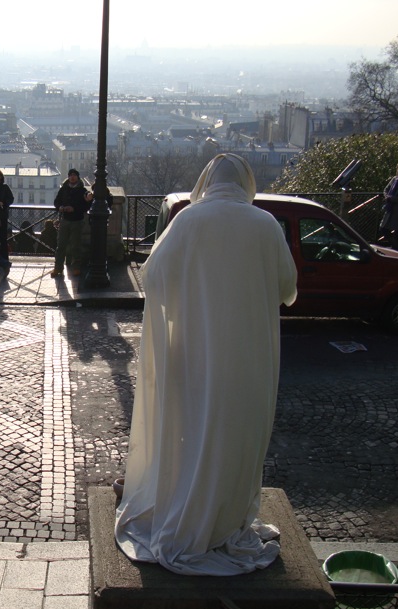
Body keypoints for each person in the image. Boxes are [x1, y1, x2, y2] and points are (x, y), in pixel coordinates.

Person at [114, 154, 297, 576]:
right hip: (249, 359)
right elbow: (288, 290)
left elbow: (154, 276)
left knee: (192, 433)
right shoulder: (265, 226)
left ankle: (187, 505)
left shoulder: (190, 221)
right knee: (238, 440)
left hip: (195, 355)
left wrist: (191, 296)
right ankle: (225, 519)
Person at [51, 168, 93, 277]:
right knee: (61, 246)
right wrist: (60, 207)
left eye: (74, 175)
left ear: (78, 177)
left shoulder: (82, 190)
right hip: (65, 219)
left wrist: (74, 209)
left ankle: (76, 267)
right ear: (68, 177)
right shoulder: (64, 189)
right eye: (70, 175)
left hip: (77, 220)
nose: (72, 177)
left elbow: (86, 206)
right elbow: (56, 201)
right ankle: (58, 267)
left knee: (76, 246)